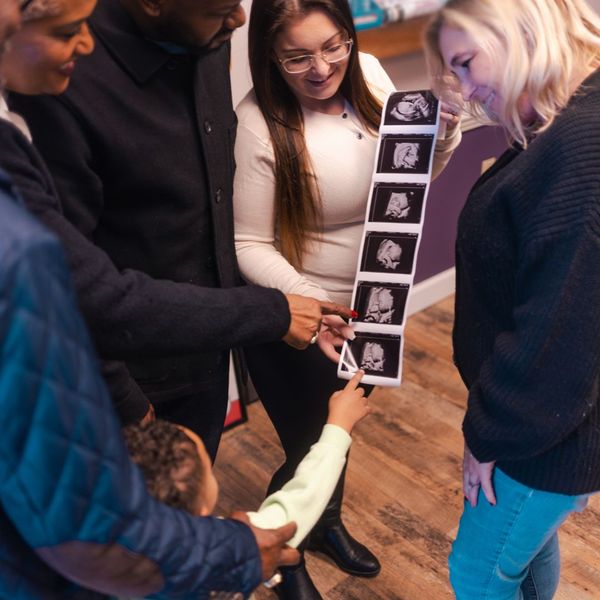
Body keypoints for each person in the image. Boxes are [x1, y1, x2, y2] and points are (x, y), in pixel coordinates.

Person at [6, 0, 352, 459]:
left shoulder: (204, 33)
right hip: (128, 375)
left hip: (207, 349)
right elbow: (77, 288)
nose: (239, 21)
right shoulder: (60, 74)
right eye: (221, 11)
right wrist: (124, 400)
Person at [232, 0, 461, 597]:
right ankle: (283, 558)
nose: (321, 67)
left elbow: (407, 184)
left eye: (334, 45)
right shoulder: (260, 124)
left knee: (343, 429)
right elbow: (248, 244)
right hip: (300, 320)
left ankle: (326, 524)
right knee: (310, 442)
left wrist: (446, 133)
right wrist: (315, 304)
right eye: (298, 56)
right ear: (269, 57)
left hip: (372, 310)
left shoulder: (372, 78)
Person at [423, 0, 600, 597]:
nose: (468, 91)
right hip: (540, 424)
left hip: (542, 431)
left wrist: (489, 435)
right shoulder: (560, 125)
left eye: (469, 65)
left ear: (521, 31)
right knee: (522, 551)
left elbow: (558, 334)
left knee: (477, 571)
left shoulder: (580, 146)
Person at [123, 370, 370, 599]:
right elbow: (304, 495)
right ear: (202, 507)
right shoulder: (225, 548)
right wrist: (338, 426)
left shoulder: (99, 556)